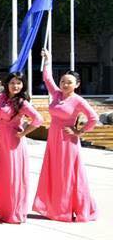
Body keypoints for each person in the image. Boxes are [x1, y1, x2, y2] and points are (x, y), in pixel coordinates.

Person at [33, 50, 99, 222]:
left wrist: (79, 131)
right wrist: (47, 60)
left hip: (68, 142)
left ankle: (66, 209)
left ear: (77, 84)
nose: (64, 84)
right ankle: (55, 208)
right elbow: (47, 79)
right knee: (54, 172)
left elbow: (94, 118)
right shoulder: (56, 95)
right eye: (62, 81)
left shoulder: (78, 100)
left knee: (66, 174)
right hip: (53, 139)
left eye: (69, 82)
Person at [0, 72, 43, 223]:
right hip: (1, 141)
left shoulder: (22, 103)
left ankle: (15, 212)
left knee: (14, 176)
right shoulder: (1, 98)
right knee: (4, 175)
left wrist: (24, 132)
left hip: (14, 142)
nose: (15, 86)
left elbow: (38, 119)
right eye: (12, 83)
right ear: (7, 84)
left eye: (19, 83)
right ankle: (4, 210)